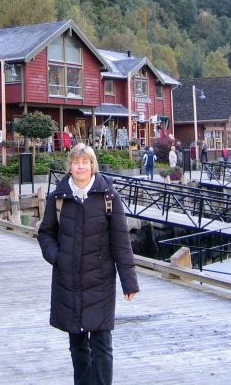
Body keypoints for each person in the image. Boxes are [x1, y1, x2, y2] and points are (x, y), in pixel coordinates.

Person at [37, 143, 139, 384]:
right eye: (76, 162)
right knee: (78, 345)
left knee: (102, 344)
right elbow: (45, 234)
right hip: (69, 280)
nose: (80, 166)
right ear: (70, 166)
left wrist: (129, 282)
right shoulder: (58, 198)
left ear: (92, 165)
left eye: (85, 162)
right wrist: (57, 257)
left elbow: (121, 241)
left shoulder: (108, 197)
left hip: (100, 281)